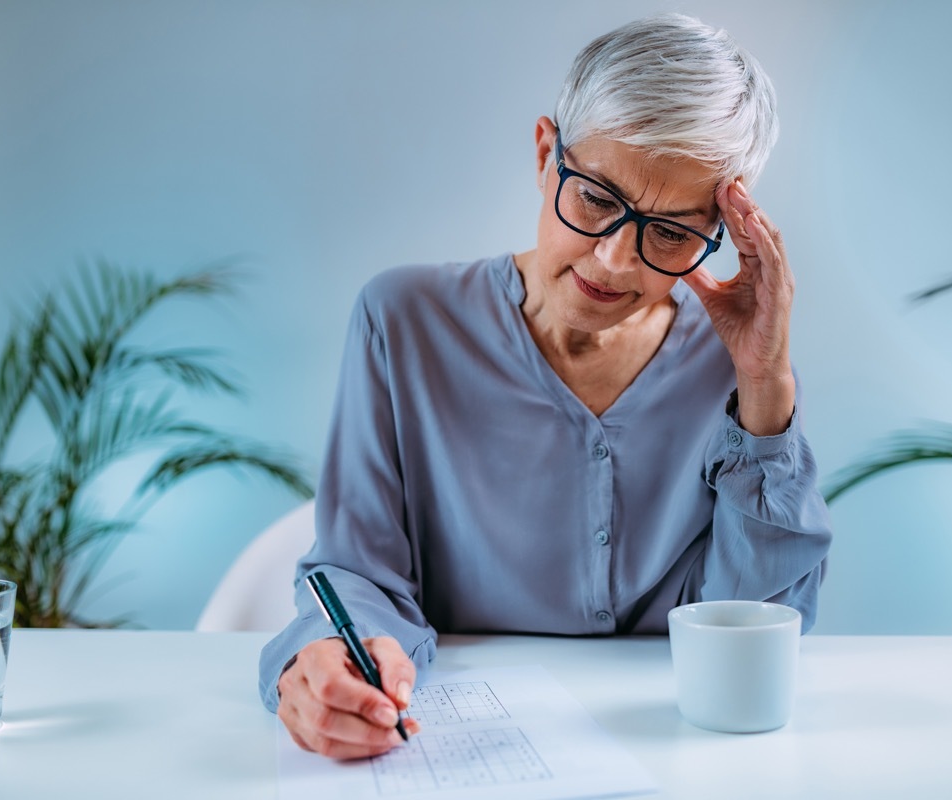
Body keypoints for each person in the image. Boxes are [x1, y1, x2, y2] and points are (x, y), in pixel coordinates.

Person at [259, 12, 832, 761]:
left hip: (679, 759)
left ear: (722, 226)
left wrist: (764, 384)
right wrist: (336, 656)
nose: (617, 259)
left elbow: (755, 634)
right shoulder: (403, 323)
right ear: (544, 154)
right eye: (596, 196)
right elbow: (357, 570)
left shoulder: (734, 361)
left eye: (669, 231)